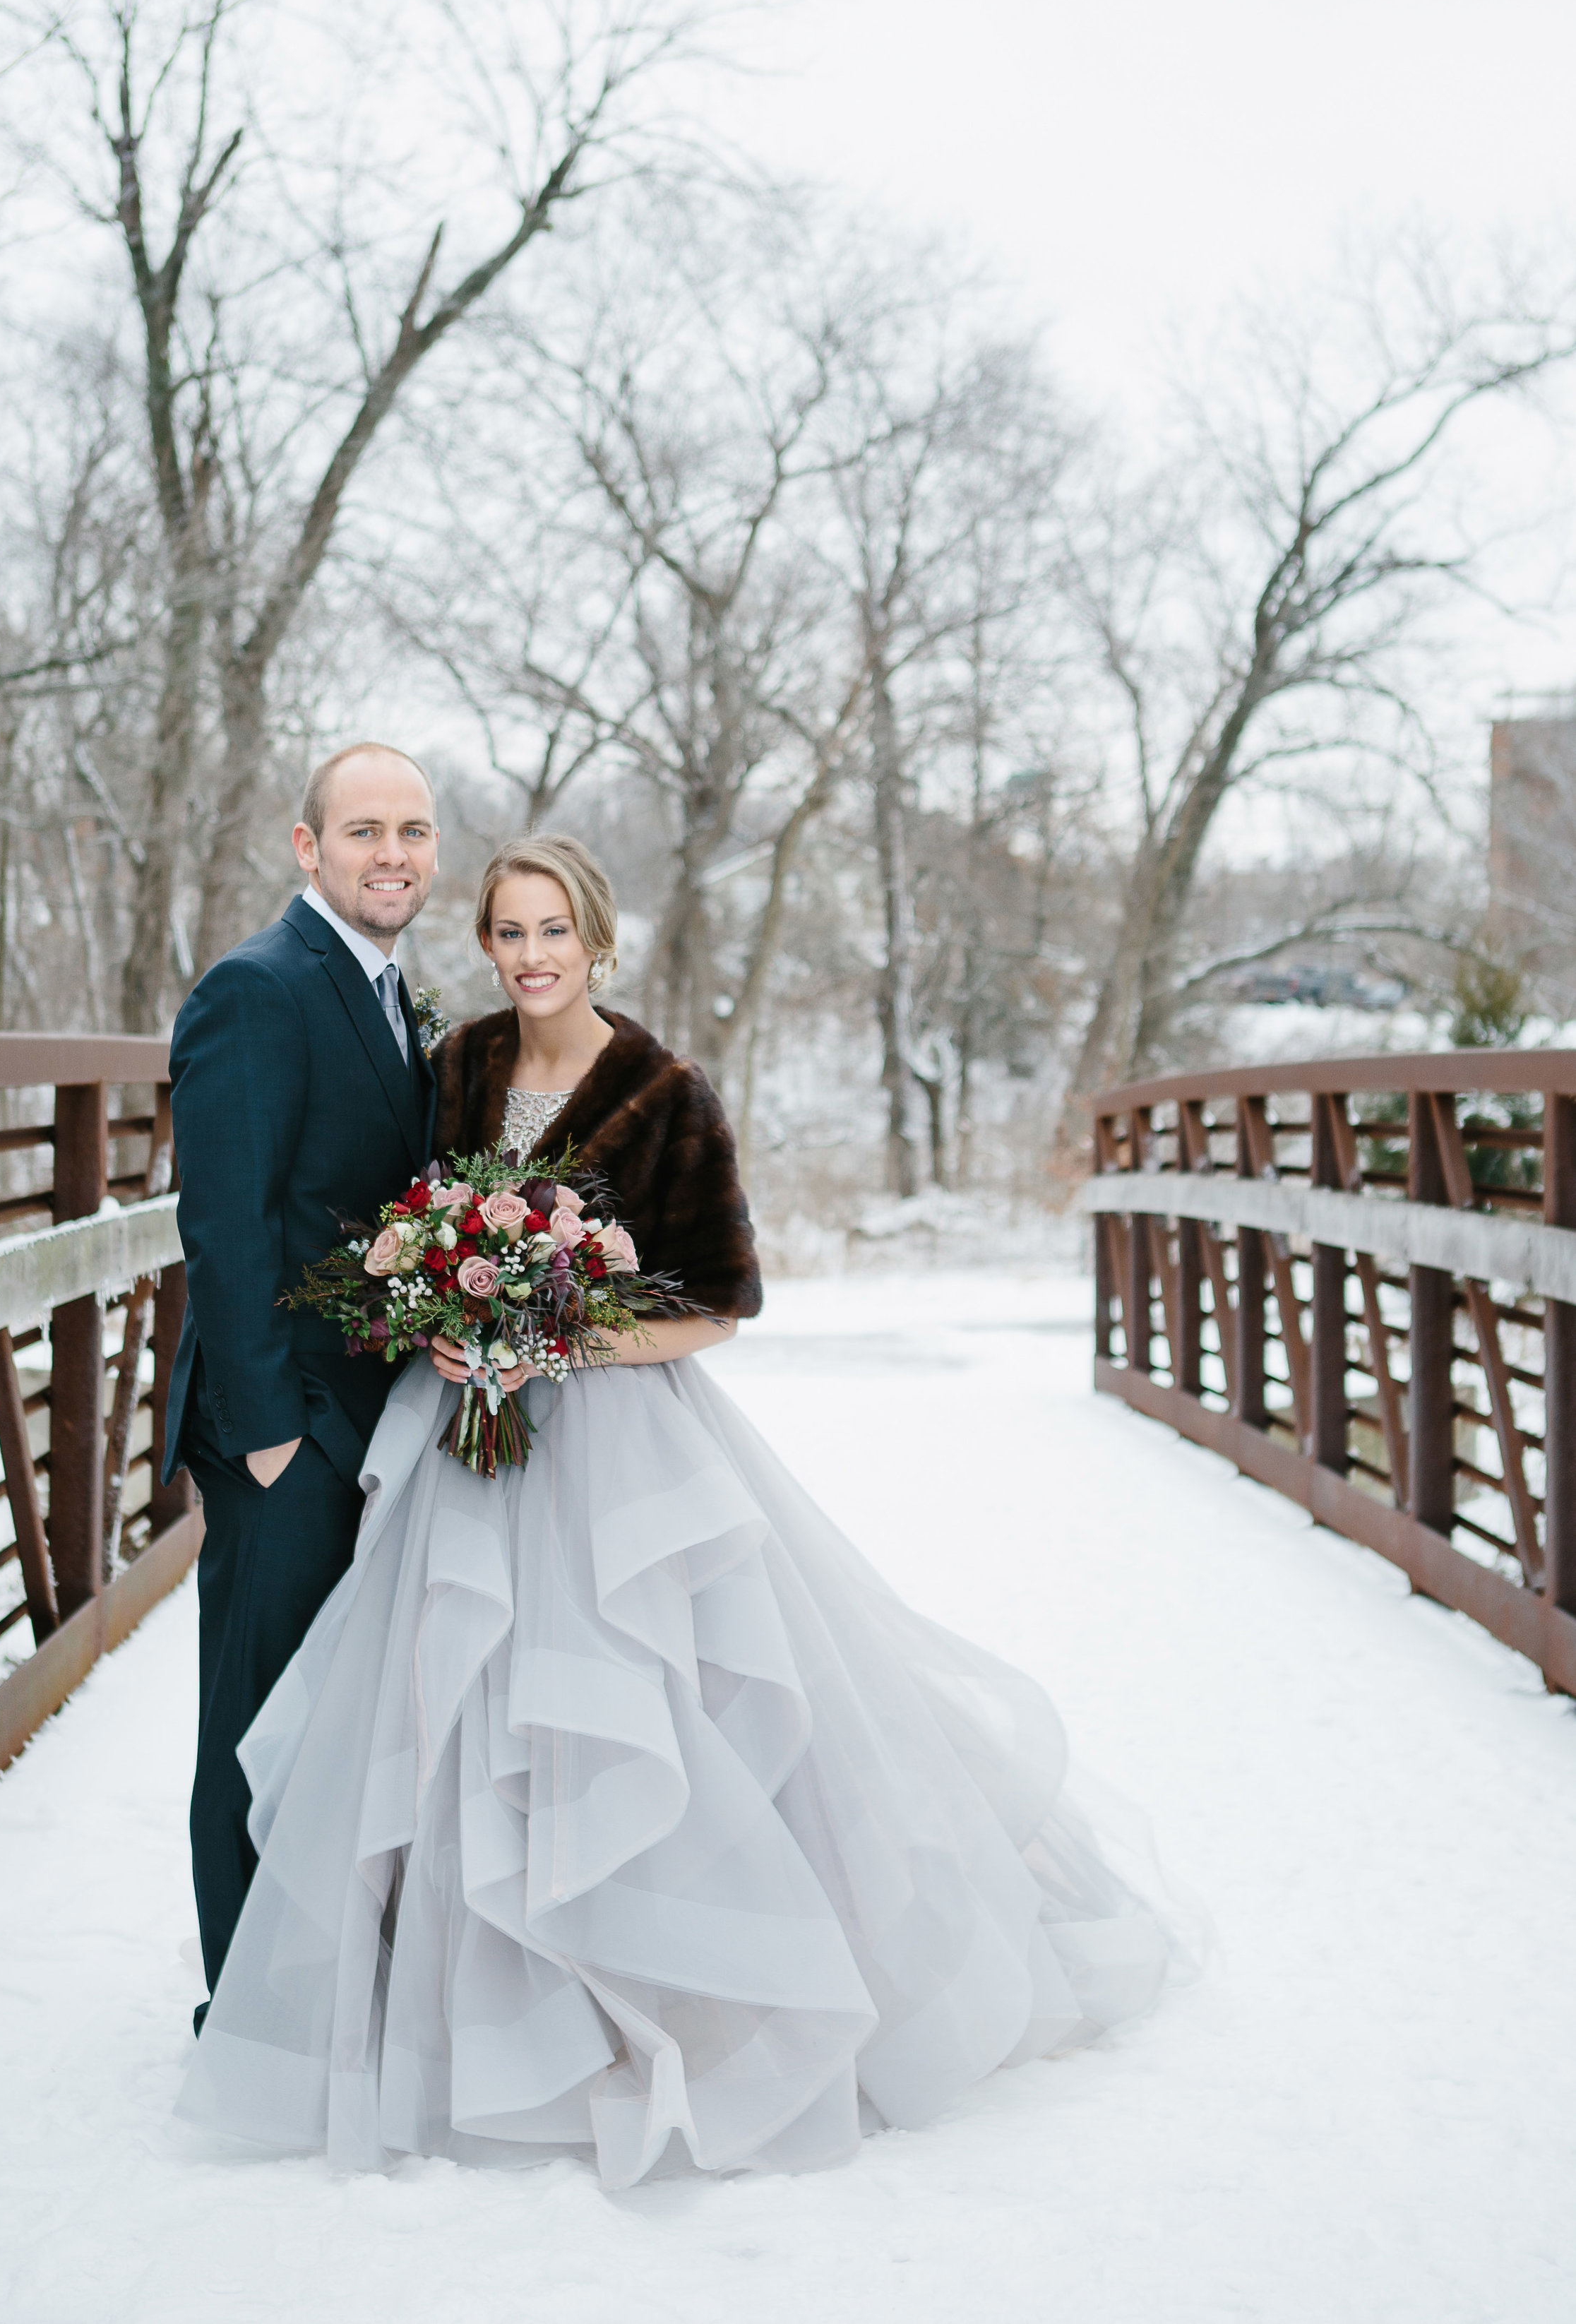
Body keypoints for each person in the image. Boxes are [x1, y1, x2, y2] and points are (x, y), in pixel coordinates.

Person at [176, 833, 1171, 2182]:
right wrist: (449, 1326)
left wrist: (559, 1343)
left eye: (554, 931)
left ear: (599, 938)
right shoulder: (459, 1064)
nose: (532, 956)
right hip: (466, 1451)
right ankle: (485, 2014)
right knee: (465, 1719)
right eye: (509, 933)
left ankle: (672, 1992)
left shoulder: (665, 1089)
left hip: (616, 1453)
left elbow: (716, 1306)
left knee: (635, 1716)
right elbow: (412, 1229)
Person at [164, 742, 439, 2030]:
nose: (393, 853)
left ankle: (324, 1988)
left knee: (333, 1722)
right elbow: (223, 1223)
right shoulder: (257, 989)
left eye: (415, 832)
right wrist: (268, 1436)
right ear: (307, 845)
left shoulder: (389, 991)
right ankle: (244, 2013)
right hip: (287, 1434)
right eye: (366, 829)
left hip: (375, 1419)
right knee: (254, 1725)